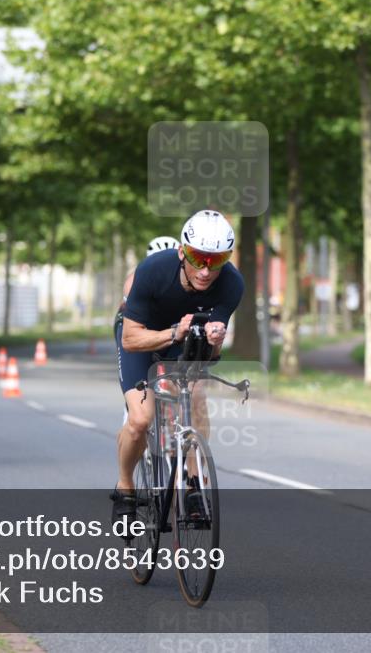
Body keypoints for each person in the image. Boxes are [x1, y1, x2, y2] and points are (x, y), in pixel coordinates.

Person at [113, 210, 243, 523]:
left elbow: (211, 356)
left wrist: (215, 338)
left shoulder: (232, 283)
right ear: (183, 251)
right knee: (141, 420)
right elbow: (130, 339)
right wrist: (173, 332)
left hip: (184, 338)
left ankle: (193, 485)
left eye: (218, 258)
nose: (206, 270)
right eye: (199, 257)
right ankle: (125, 485)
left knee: (196, 395)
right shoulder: (154, 270)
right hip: (143, 336)